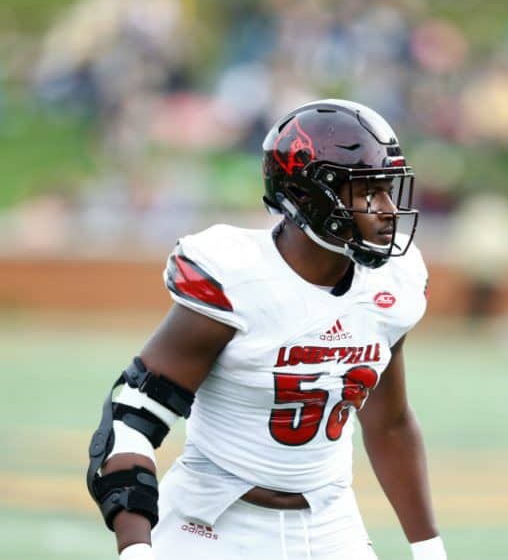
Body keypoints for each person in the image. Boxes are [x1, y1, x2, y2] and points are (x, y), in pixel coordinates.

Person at [86, 99, 446, 560]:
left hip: (328, 520)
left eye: (388, 190)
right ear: (310, 197)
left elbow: (390, 423)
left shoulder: (391, 285)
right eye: (368, 192)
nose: (388, 210)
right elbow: (131, 418)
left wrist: (429, 548)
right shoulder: (239, 279)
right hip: (210, 521)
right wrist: (136, 548)